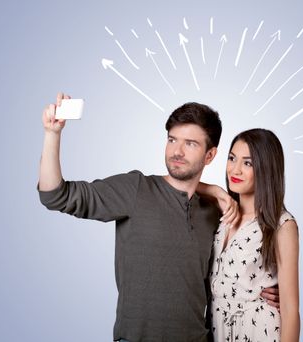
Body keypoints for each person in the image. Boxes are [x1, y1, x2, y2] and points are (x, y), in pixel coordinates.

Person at [37, 93, 279, 341]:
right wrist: (52, 134)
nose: (177, 151)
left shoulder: (216, 213)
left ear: (210, 155)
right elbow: (55, 196)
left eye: (190, 144)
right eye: (172, 139)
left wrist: (265, 291)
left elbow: (226, 275)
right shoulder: (135, 189)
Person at [200, 129, 300, 341]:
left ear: (266, 169)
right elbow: (184, 186)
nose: (235, 170)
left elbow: (290, 311)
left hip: (258, 330)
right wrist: (217, 191)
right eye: (232, 158)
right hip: (217, 329)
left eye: (248, 163)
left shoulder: (282, 224)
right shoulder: (223, 210)